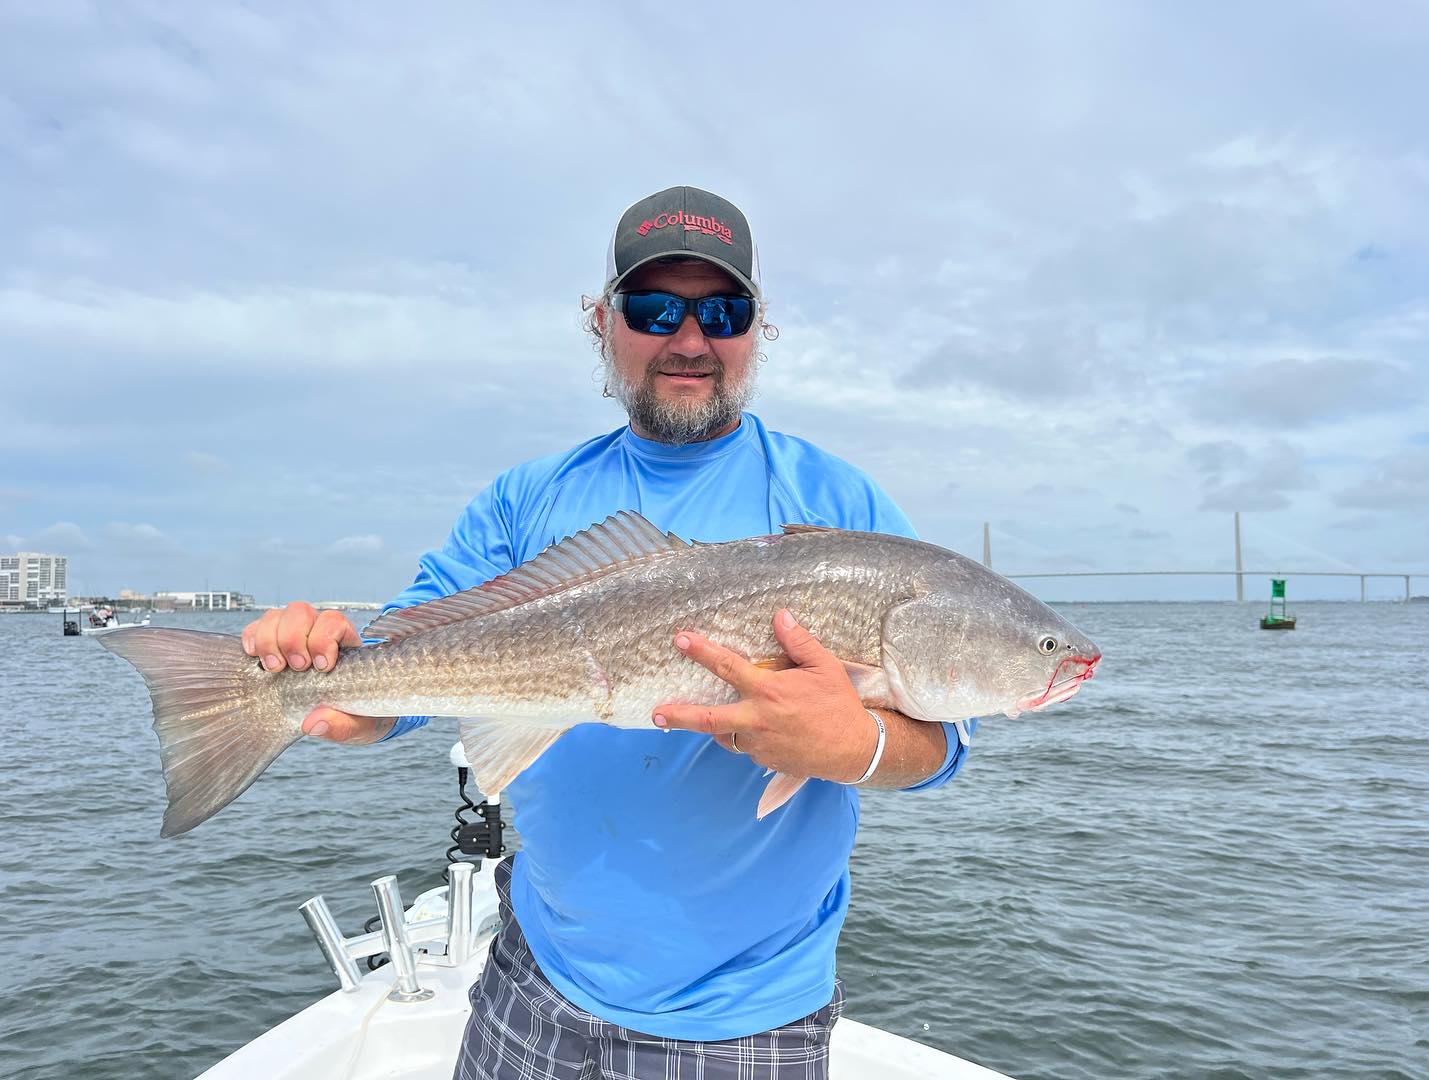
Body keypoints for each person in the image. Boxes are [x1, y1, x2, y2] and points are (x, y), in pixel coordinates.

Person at [242, 186, 971, 1079]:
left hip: (746, 1019)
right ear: (603, 320)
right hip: (532, 976)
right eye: (655, 307)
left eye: (724, 310)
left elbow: (943, 746)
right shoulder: (523, 499)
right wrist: (332, 687)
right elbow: (406, 673)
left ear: (759, 327)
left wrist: (855, 744)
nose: (691, 339)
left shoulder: (846, 511)